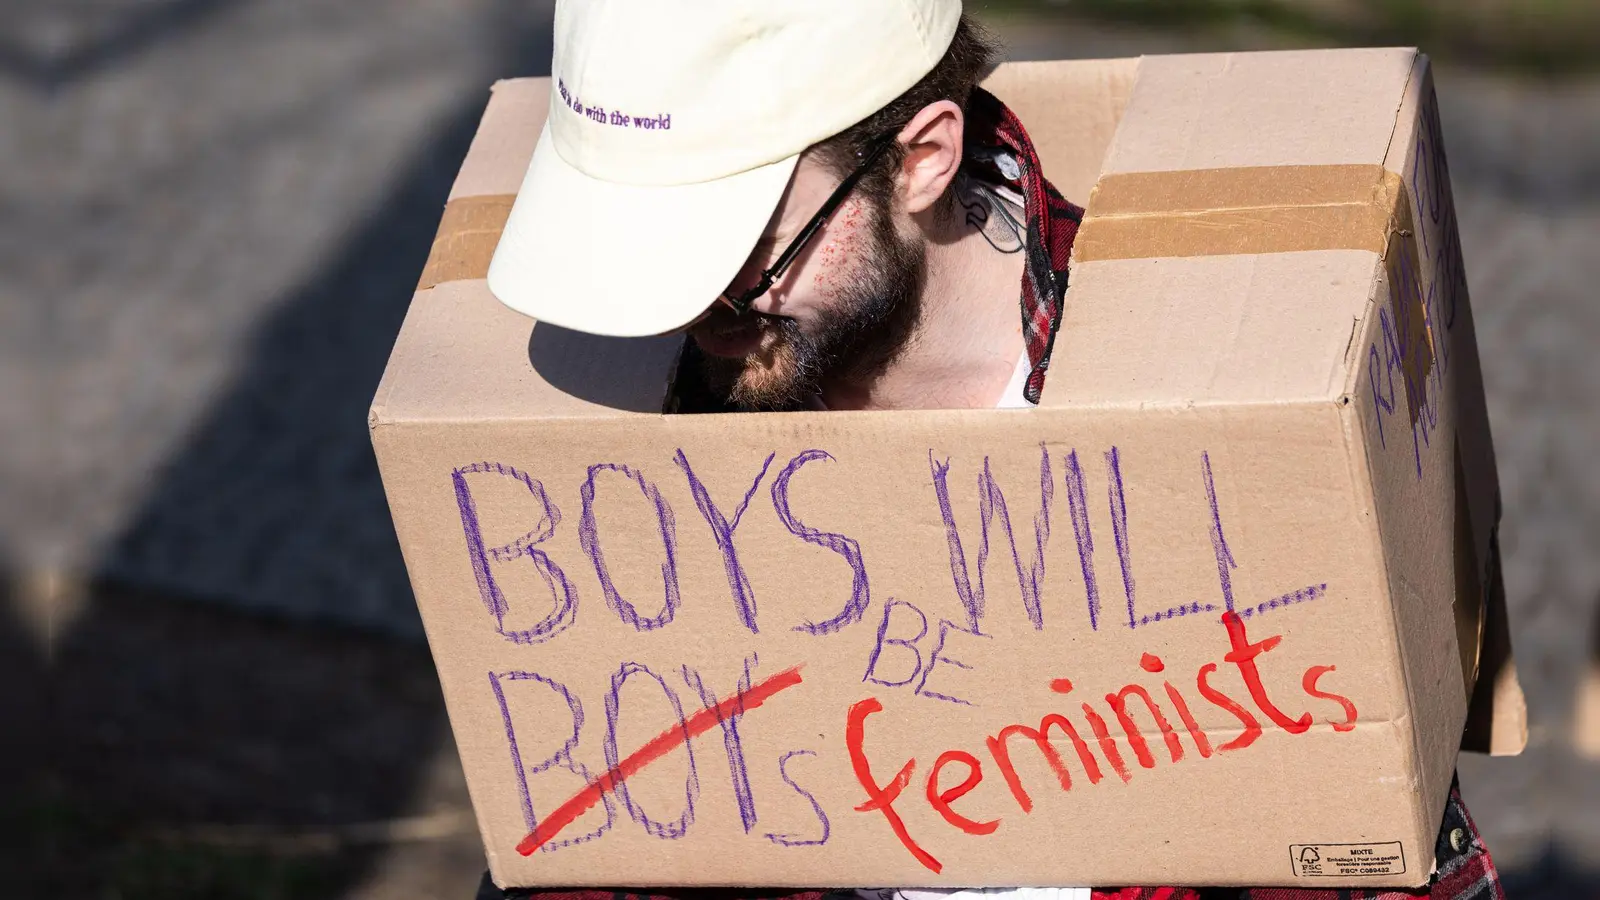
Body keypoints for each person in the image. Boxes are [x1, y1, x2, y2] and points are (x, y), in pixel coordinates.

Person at [483, 2, 1504, 898]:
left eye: (736, 251)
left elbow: (1351, 818)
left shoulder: (1216, 403)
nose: (692, 311)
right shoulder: (661, 422)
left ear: (921, 159)